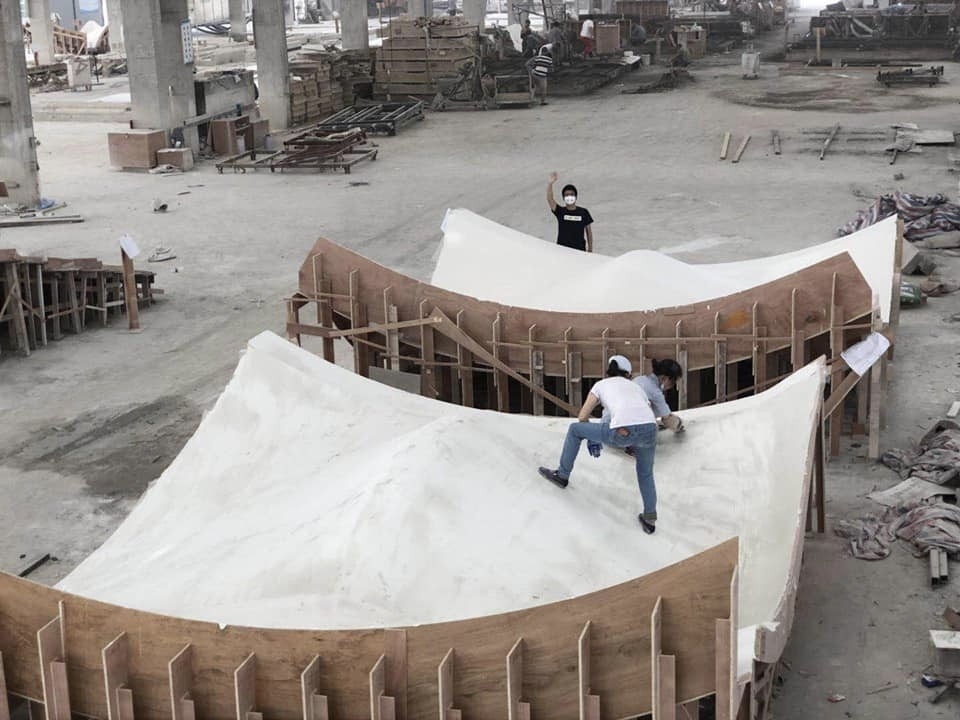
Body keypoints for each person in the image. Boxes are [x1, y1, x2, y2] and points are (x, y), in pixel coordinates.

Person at [538, 355, 683, 533]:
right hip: (649, 430)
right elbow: (646, 412)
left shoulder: (601, 385)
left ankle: (562, 475)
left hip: (622, 430)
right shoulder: (635, 387)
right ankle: (650, 519)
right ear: (628, 374)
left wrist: (594, 437)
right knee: (645, 474)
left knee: (574, 430)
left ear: (609, 371)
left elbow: (583, 416)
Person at [546, 172, 594, 252]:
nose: (569, 197)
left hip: (580, 251)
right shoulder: (560, 211)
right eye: (567, 195)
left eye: (572, 194)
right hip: (562, 251)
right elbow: (550, 199)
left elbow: (589, 232)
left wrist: (590, 249)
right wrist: (550, 184)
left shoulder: (584, 212)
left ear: (576, 196)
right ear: (563, 197)